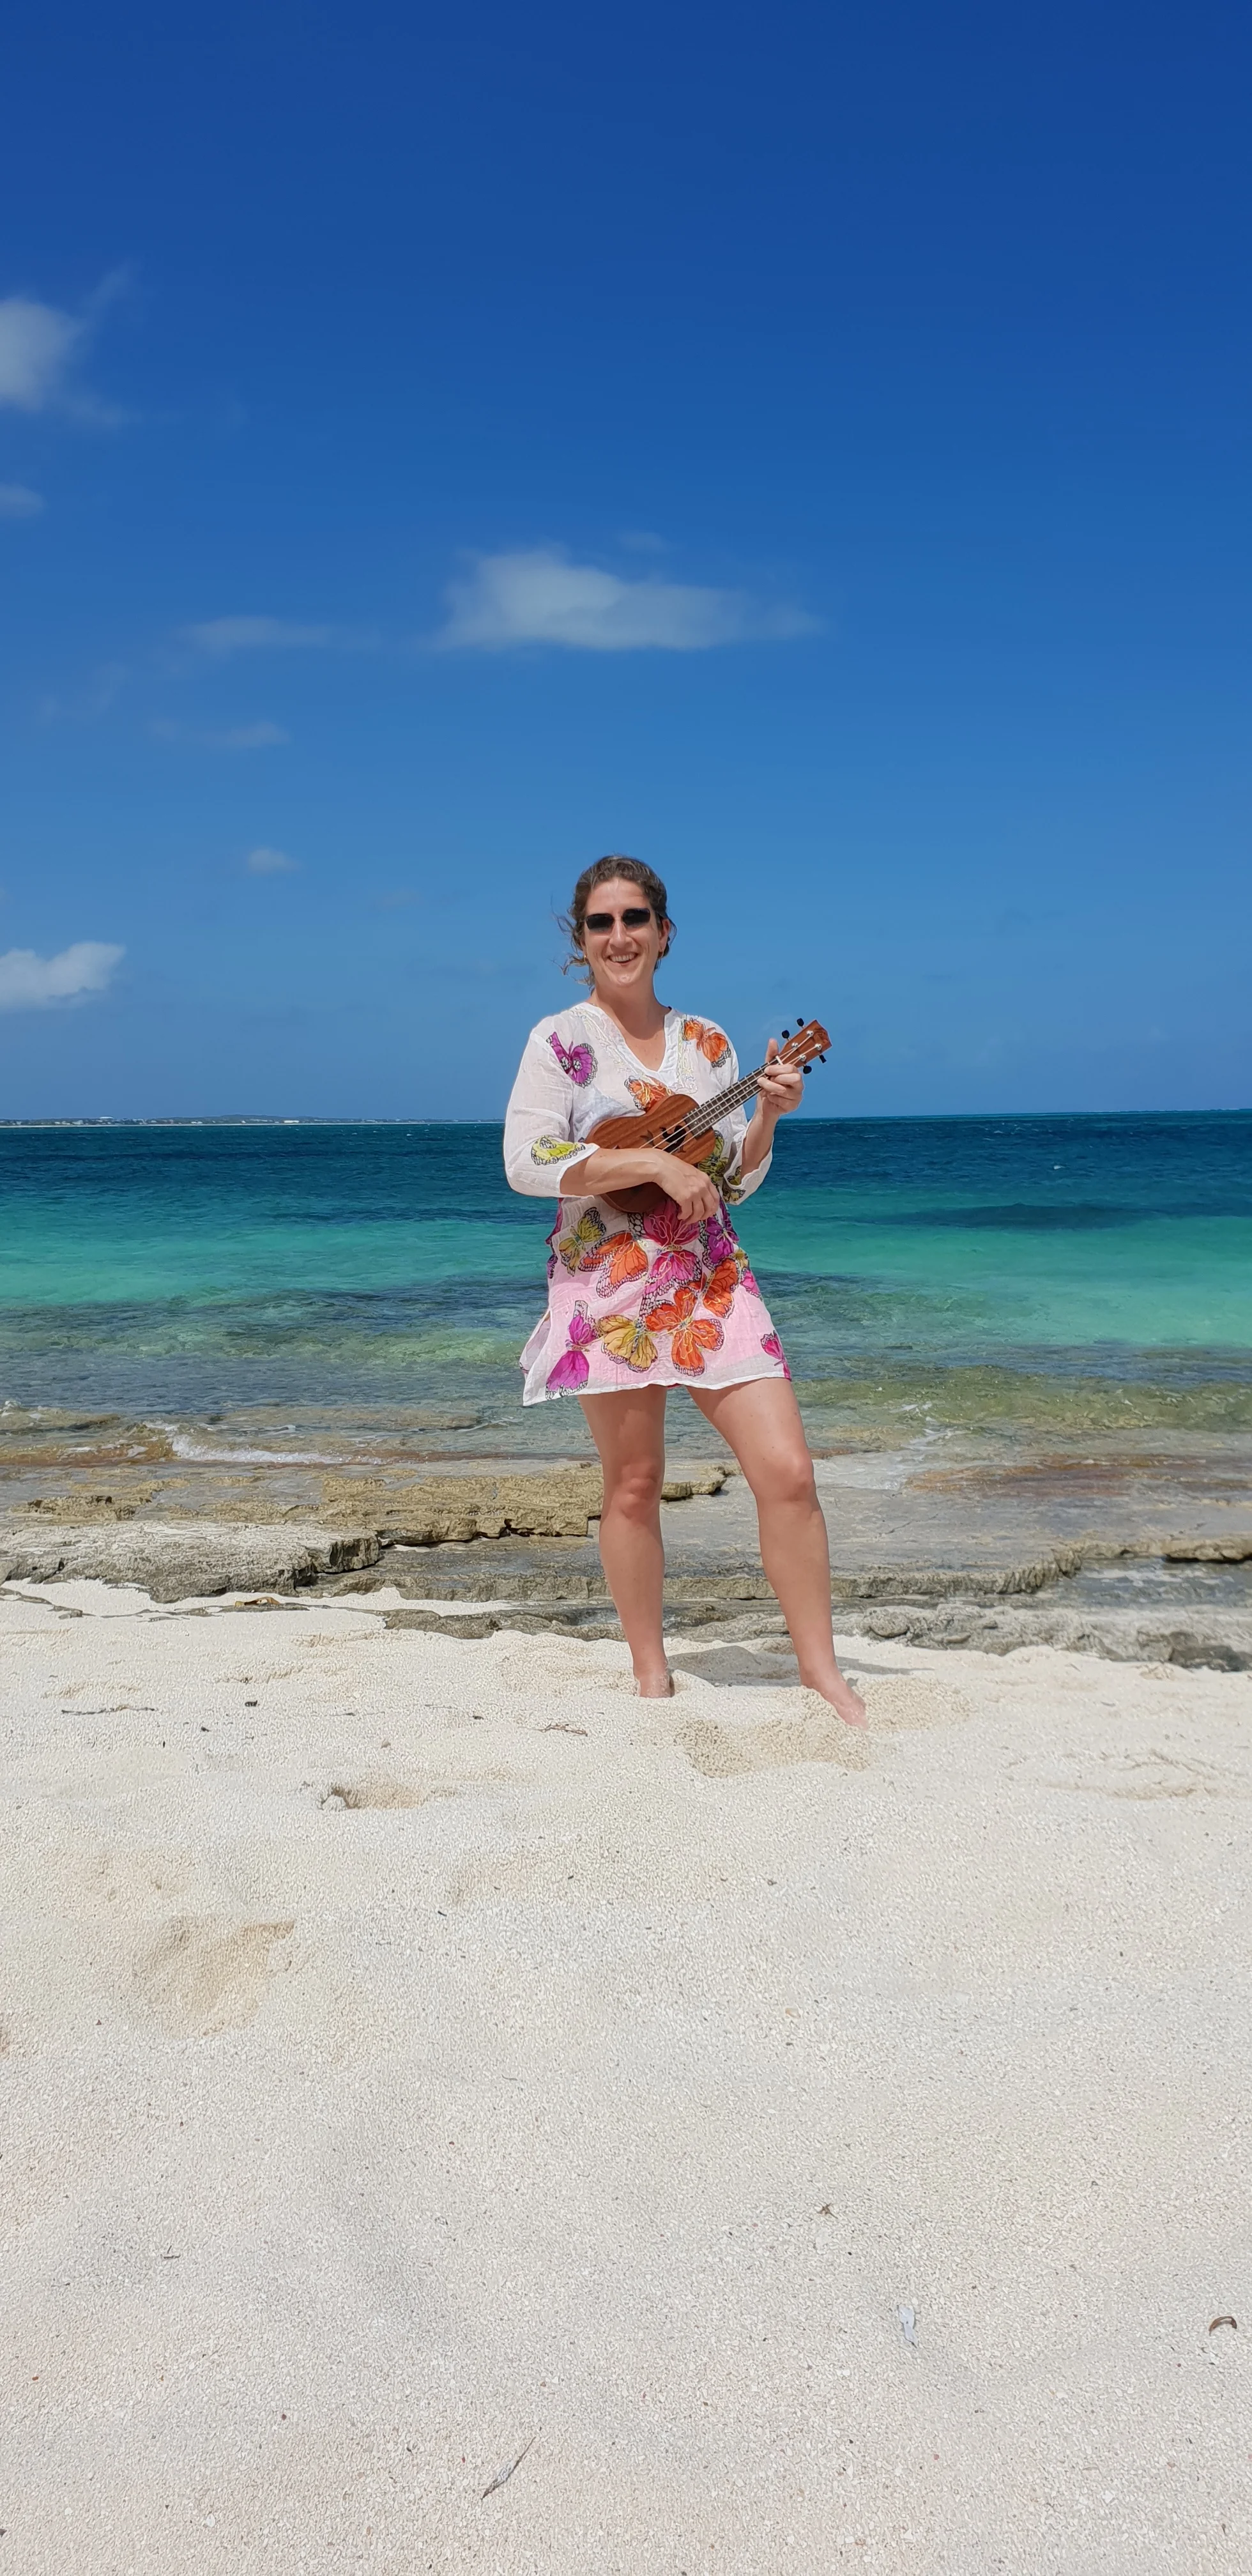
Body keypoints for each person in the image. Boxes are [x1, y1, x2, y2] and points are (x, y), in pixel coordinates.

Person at [503, 855, 866, 1723]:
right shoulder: (561, 1040)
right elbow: (526, 1163)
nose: (619, 937)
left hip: (709, 1276)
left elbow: (729, 1182)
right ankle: (650, 1672)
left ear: (664, 933)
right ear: (580, 941)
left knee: (788, 1470)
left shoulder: (708, 1044)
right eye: (601, 923)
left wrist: (771, 1113)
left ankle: (821, 1673)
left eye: (635, 919)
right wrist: (649, 1161)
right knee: (633, 1483)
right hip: (609, 1282)